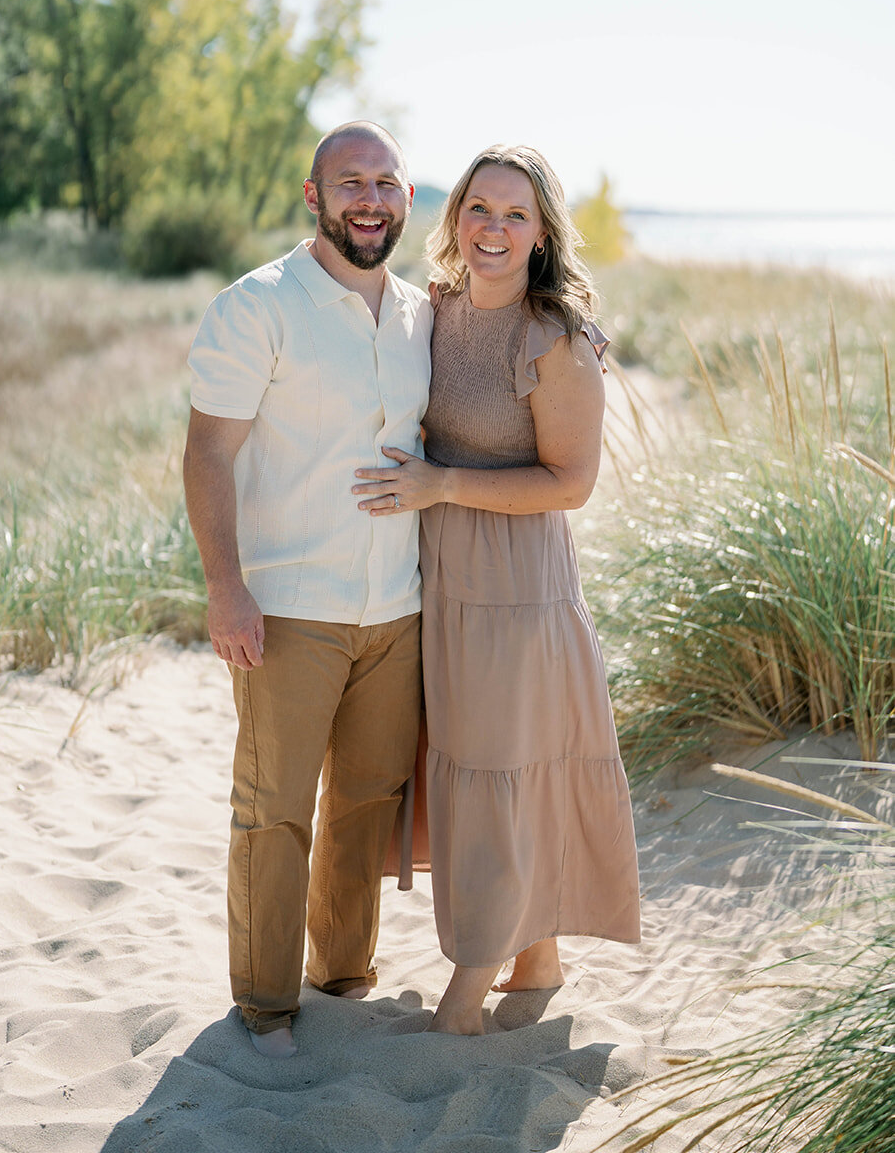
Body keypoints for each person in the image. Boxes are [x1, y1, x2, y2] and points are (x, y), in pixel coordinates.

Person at [354, 144, 640, 1036]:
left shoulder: (553, 340)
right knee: (486, 763)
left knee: (496, 770)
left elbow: (570, 483)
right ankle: (536, 956)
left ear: (542, 233)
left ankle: (465, 995)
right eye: (480, 207)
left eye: (516, 215)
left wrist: (440, 485)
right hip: (441, 580)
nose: (493, 228)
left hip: (517, 591)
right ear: (455, 217)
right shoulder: (431, 313)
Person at [182, 121, 432, 1058]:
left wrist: (579, 324)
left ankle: (341, 973)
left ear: (406, 198)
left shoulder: (420, 313)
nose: (368, 200)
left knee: (367, 799)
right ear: (313, 195)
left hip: (394, 606)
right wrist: (224, 589)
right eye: (350, 183)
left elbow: (512, 325)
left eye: (385, 183)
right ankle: (265, 1004)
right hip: (287, 605)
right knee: (275, 805)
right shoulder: (257, 307)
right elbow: (208, 452)